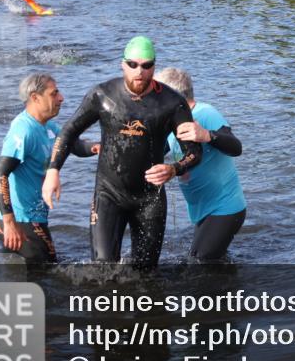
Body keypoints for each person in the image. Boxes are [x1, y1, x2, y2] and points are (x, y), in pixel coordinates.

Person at [42, 36, 202, 269]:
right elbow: (68, 131)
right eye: (133, 64)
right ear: (122, 64)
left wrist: (173, 169)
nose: (140, 71)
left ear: (154, 66)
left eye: (147, 65)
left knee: (146, 274)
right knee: (102, 269)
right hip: (108, 194)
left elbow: (195, 153)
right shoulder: (103, 95)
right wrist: (53, 171)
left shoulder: (172, 103)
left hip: (150, 198)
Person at [0, 73, 99, 263]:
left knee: (23, 270)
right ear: (35, 97)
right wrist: (9, 223)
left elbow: (74, 146)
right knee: (46, 271)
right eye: (54, 93)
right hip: (19, 219)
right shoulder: (23, 130)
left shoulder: (48, 126)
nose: (61, 97)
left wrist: (98, 147)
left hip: (30, 217)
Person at [155, 67, 246, 261]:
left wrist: (207, 135)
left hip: (225, 208)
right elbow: (156, 152)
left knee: (200, 264)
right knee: (206, 263)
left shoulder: (205, 113)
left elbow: (236, 147)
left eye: (158, 94)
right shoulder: (173, 121)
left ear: (173, 97)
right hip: (202, 210)